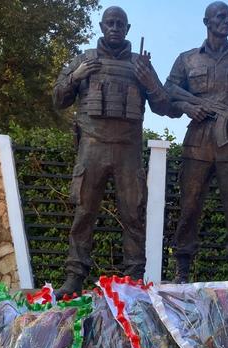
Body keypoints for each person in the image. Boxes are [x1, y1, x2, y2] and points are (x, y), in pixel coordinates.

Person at [52, 6, 172, 296]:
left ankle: (133, 277)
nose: (115, 27)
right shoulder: (84, 60)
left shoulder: (140, 65)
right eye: (110, 23)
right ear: (102, 26)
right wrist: (75, 76)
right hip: (91, 147)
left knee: (133, 213)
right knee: (84, 213)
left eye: (120, 24)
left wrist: (150, 82)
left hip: (127, 151)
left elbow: (164, 106)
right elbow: (58, 99)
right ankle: (74, 276)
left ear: (128, 29)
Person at [165, 1, 228, 282]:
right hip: (197, 141)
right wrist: (188, 108)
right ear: (207, 21)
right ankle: (182, 270)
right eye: (220, 17)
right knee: (188, 206)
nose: (226, 21)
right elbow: (167, 95)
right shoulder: (187, 59)